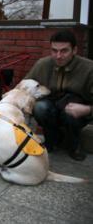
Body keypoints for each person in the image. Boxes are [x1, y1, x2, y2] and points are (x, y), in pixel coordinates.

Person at [25, 30, 93, 161]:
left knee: (70, 112)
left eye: (64, 51)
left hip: (76, 110)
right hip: (51, 105)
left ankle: (73, 144)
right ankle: (51, 141)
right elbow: (25, 86)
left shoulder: (89, 68)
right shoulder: (42, 64)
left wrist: (87, 109)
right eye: (54, 50)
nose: (58, 56)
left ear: (74, 50)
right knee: (40, 107)